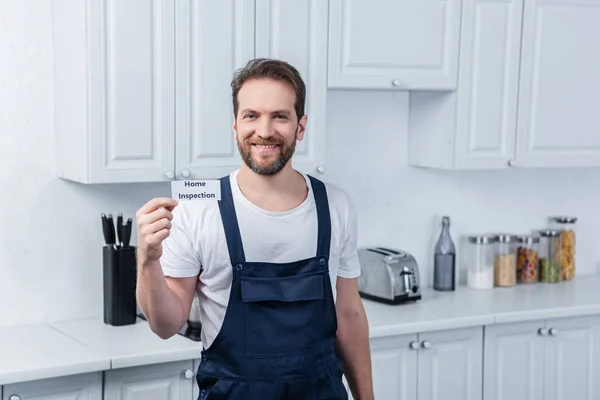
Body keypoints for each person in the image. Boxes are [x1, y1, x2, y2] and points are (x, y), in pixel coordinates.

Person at [135, 58, 373, 400]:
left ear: (300, 127)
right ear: (235, 125)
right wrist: (147, 260)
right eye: (251, 116)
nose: (264, 131)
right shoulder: (197, 211)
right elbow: (165, 325)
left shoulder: (336, 205)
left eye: (280, 116)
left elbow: (349, 316)